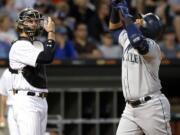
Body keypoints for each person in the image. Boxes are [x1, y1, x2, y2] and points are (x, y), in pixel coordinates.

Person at [109, 0, 172, 134]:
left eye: (142, 20)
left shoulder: (153, 47)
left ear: (149, 27)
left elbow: (139, 44)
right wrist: (115, 10)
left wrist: (126, 17)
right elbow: (114, 30)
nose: (138, 20)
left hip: (152, 107)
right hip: (130, 109)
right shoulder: (127, 39)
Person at [8, 8, 56, 135]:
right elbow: (47, 57)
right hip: (26, 101)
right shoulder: (19, 45)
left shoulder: (37, 44)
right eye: (30, 21)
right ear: (21, 24)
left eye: (36, 21)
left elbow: (47, 54)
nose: (34, 24)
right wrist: (51, 33)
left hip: (41, 99)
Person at [0, 68, 19, 135]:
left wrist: (1, 116)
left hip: (14, 109)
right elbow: (3, 97)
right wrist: (1, 116)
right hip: (13, 108)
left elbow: (3, 97)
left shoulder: (6, 72)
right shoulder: (6, 73)